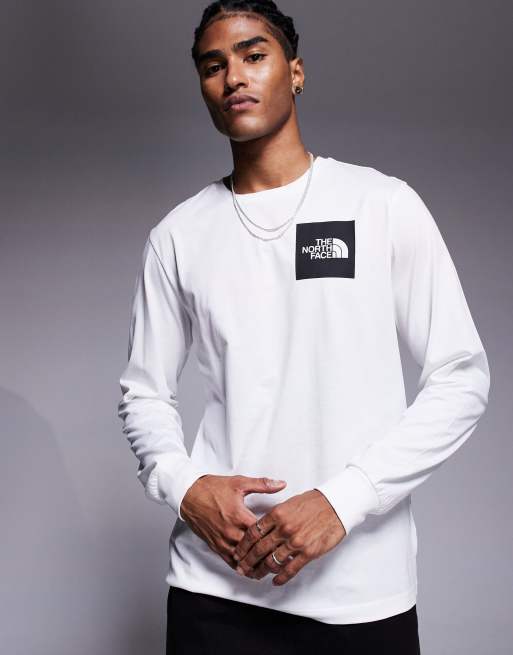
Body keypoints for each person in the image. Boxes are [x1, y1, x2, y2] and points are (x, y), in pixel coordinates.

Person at [117, 1, 490, 653]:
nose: (234, 76)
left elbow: (461, 380)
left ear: (294, 73)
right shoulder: (178, 235)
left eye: (253, 55)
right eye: (213, 65)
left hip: (361, 592)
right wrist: (185, 487)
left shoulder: (380, 204)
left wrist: (343, 500)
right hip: (215, 589)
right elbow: (144, 391)